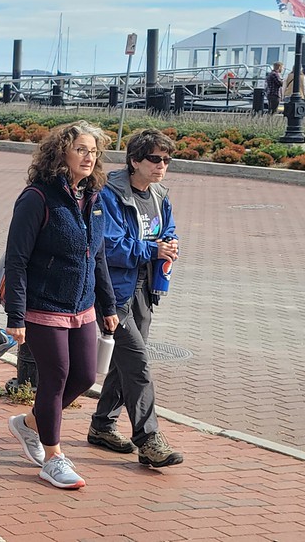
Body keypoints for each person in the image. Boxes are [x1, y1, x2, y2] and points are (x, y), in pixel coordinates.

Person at [1, 120, 118, 490]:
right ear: (61, 152)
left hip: (82, 305)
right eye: (81, 149)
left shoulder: (93, 197)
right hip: (42, 305)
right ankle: (53, 457)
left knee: (84, 376)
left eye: (94, 151)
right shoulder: (37, 198)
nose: (89, 156)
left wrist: (108, 305)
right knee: (55, 378)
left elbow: (96, 255)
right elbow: (16, 260)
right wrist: (16, 315)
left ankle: (32, 423)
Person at [87, 129, 185, 468]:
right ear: (134, 161)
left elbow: (167, 230)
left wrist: (169, 245)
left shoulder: (159, 195)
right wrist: (153, 249)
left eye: (167, 160)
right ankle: (148, 439)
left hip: (145, 289)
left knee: (123, 362)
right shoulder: (110, 196)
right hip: (114, 292)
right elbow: (109, 247)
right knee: (138, 363)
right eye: (155, 159)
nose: (162, 166)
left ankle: (102, 425)